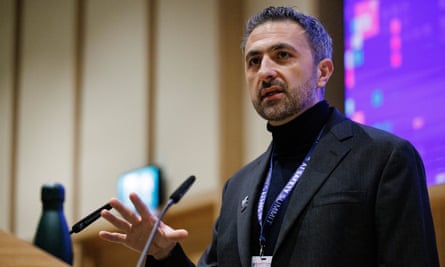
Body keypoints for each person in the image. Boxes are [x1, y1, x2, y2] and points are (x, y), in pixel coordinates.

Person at [98, 6, 439, 266]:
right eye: (254, 61)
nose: (266, 72)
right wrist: (165, 254)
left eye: (282, 56)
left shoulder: (384, 158)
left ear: (323, 72)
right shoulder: (238, 188)